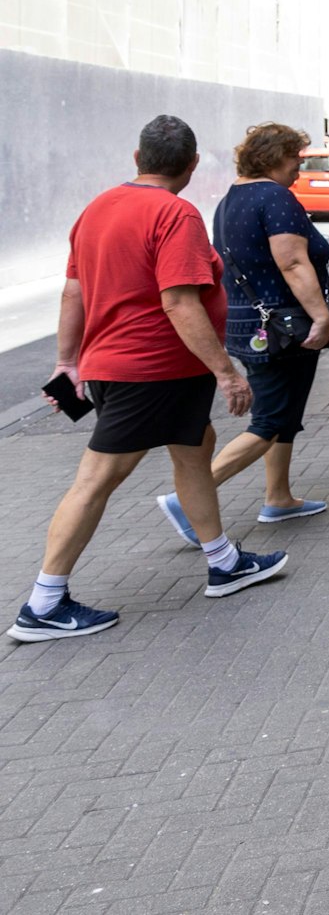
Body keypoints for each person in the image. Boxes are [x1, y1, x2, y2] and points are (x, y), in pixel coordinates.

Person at [9, 116, 290, 643]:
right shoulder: (175, 213)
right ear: (191, 166)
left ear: (137, 159)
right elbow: (179, 301)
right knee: (97, 480)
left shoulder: (97, 209)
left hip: (116, 366)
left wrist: (67, 362)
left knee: (195, 447)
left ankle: (224, 562)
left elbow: (74, 291)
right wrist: (226, 373)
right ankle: (42, 605)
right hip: (152, 368)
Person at [157, 123, 329, 545]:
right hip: (283, 326)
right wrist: (322, 317)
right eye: (296, 159)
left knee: (283, 413)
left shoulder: (231, 199)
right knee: (271, 420)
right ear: (274, 157)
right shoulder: (275, 197)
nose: (299, 168)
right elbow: (292, 263)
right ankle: (188, 499)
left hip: (248, 324)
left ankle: (279, 497)